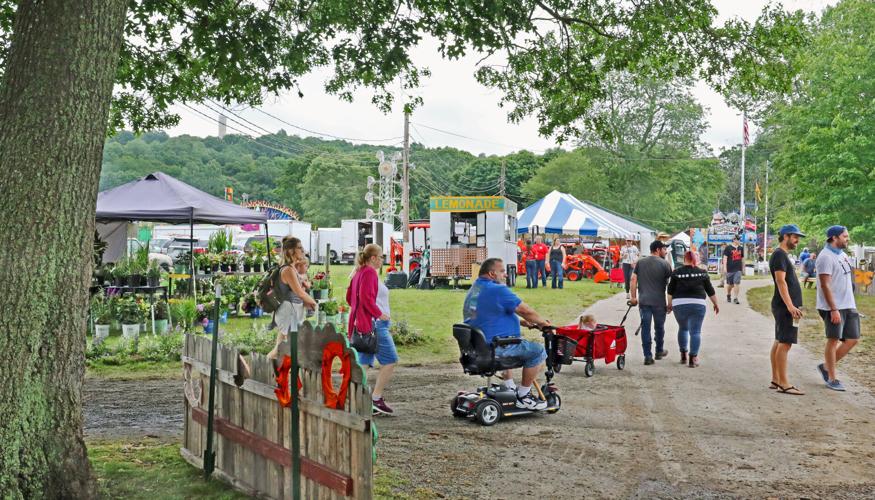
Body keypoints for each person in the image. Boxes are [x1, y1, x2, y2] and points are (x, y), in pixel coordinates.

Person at [463, 258, 551, 410]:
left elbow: (487, 315)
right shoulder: (498, 290)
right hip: (496, 348)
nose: (505, 275)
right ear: (492, 273)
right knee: (537, 351)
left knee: (511, 341)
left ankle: (510, 388)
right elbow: (525, 310)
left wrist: (523, 323)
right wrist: (544, 324)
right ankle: (523, 396)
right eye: (502, 271)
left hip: (478, 349)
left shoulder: (476, 289)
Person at [347, 244, 398, 414]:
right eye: (381, 257)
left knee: (364, 363)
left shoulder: (358, 272)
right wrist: (379, 314)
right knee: (390, 360)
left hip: (362, 324)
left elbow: (350, 298)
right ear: (374, 258)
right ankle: (376, 398)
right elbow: (366, 299)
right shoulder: (369, 272)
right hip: (374, 324)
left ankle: (356, 398)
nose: (383, 260)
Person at [815, 226, 860, 392]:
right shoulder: (825, 257)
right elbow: (825, 285)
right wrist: (833, 309)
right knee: (833, 340)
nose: (847, 239)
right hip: (833, 306)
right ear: (834, 238)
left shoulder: (843, 255)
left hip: (848, 304)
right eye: (845, 236)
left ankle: (826, 366)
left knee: (852, 339)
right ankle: (832, 378)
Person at [768, 224, 806, 395]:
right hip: (785, 307)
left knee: (779, 340)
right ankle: (784, 383)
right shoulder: (779, 255)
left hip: (784, 305)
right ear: (786, 236)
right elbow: (781, 281)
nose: (797, 240)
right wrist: (790, 306)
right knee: (785, 343)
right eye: (795, 237)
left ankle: (776, 379)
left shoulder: (781, 255)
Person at [267, 237, 317, 360]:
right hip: (288, 312)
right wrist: (314, 303)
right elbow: (299, 293)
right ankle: (263, 369)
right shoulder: (288, 270)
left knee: (280, 347)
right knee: (284, 348)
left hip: (291, 312)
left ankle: (268, 370)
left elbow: (298, 290)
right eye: (299, 248)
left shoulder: (292, 268)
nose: (303, 250)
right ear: (290, 251)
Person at [667, 251, 719, 367]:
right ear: (695, 259)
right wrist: (715, 303)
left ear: (684, 259)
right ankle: (693, 358)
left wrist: (669, 305)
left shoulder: (676, 273)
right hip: (698, 304)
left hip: (679, 304)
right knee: (695, 332)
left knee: (683, 328)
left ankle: (683, 355)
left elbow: (670, 291)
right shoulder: (702, 273)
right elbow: (710, 291)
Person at [629, 240, 672, 365]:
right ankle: (659, 351)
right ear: (658, 250)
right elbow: (672, 285)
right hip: (659, 302)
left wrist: (633, 297)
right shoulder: (665, 264)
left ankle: (647, 356)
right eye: (664, 249)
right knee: (659, 327)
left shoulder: (640, 262)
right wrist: (670, 302)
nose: (665, 251)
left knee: (645, 328)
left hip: (644, 302)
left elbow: (633, 279)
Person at [723, 235, 744, 304]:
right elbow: (725, 258)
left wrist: (743, 268)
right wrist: (725, 268)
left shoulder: (741, 248)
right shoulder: (728, 248)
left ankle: (736, 298)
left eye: (739, 239)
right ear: (734, 240)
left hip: (738, 269)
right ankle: (728, 294)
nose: (739, 240)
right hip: (730, 269)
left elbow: (742, 259)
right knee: (730, 285)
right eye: (738, 239)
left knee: (736, 283)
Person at [291, 257, 312, 325]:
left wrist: (306, 283)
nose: (307, 268)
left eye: (307, 266)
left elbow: (308, 285)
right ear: (299, 266)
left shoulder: (305, 275)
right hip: (296, 299)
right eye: (305, 266)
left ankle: (309, 310)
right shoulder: (295, 274)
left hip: (303, 297)